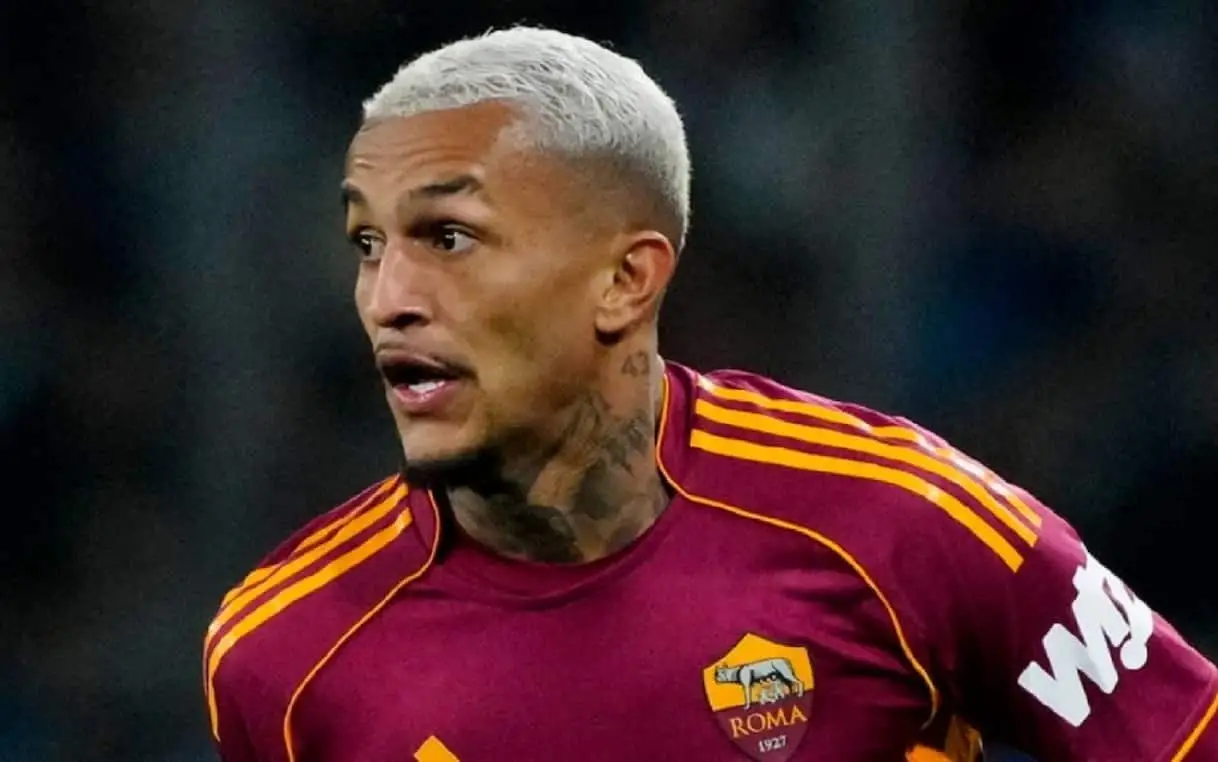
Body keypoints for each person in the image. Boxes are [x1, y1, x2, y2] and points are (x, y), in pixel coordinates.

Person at [202, 26, 1218, 762]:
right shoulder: (283, 657)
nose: (389, 298)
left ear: (625, 279)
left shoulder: (900, 517)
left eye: (451, 240)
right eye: (368, 244)